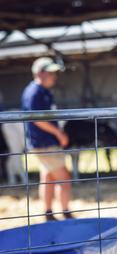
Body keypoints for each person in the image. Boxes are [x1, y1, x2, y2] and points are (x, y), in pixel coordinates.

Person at [22, 57, 73, 222]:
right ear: (40, 73)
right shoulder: (35, 92)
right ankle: (66, 212)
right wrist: (59, 133)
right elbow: (37, 119)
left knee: (48, 177)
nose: (54, 76)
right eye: (50, 72)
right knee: (64, 177)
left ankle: (49, 213)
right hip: (45, 143)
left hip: (45, 142)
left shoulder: (43, 92)